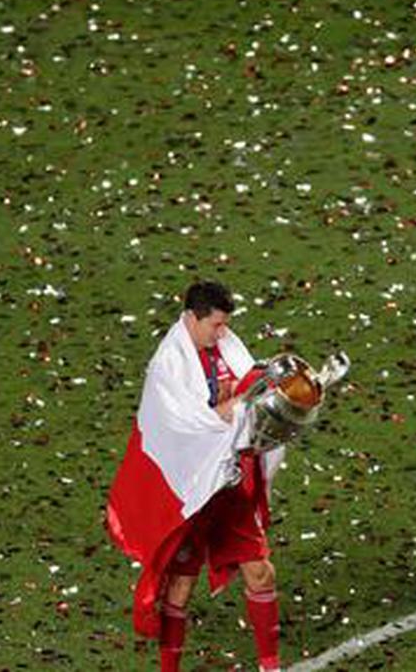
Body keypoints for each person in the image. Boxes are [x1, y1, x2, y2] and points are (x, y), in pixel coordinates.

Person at [106, 280, 284, 672]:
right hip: (191, 491)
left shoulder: (225, 348)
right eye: (215, 325)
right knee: (181, 586)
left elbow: (243, 399)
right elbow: (195, 424)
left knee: (260, 571)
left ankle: (270, 666)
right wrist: (241, 403)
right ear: (191, 317)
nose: (222, 334)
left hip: (228, 484)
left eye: (224, 325)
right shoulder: (168, 365)